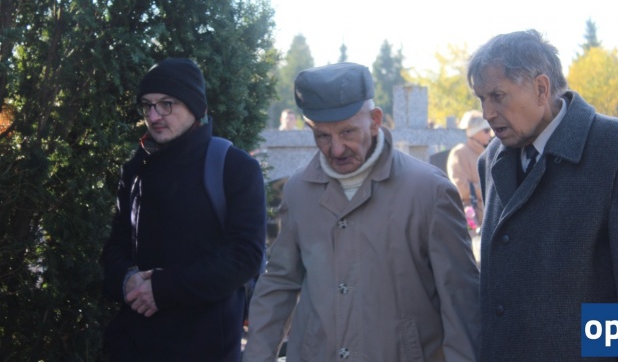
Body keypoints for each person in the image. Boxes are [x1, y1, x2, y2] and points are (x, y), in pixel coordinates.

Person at [244, 62, 480, 361]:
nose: (336, 149)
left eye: (347, 132)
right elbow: (279, 282)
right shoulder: (298, 191)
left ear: (375, 120)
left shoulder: (429, 191)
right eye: (322, 136)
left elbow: (459, 297)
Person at [468, 30, 618, 362]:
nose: (487, 112)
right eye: (481, 99)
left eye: (498, 96)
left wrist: (604, 356)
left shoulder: (613, 148)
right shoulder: (492, 159)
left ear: (541, 88)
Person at [101, 58, 267, 361]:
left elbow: (245, 256)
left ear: (195, 106)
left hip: (206, 347)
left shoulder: (235, 167)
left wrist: (163, 289)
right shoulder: (135, 169)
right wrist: (128, 280)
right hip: (133, 346)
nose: (154, 116)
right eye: (147, 105)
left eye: (167, 104)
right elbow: (116, 246)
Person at [446, 109, 492, 231]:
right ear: (474, 132)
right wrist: (489, 188)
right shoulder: (459, 153)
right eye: (486, 130)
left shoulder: (487, 152)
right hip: (471, 217)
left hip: (488, 215)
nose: (490, 134)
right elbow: (461, 188)